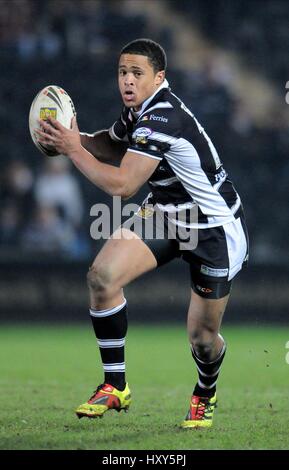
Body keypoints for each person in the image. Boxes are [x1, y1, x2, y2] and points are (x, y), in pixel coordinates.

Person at [35, 38, 249, 429]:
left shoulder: (162, 117)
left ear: (159, 78)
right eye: (122, 72)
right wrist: (74, 138)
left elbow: (123, 185)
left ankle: (205, 392)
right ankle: (115, 385)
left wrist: (73, 151)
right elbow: (111, 146)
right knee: (102, 277)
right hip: (167, 214)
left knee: (202, 339)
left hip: (213, 229)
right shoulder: (140, 111)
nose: (127, 81)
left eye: (137, 73)